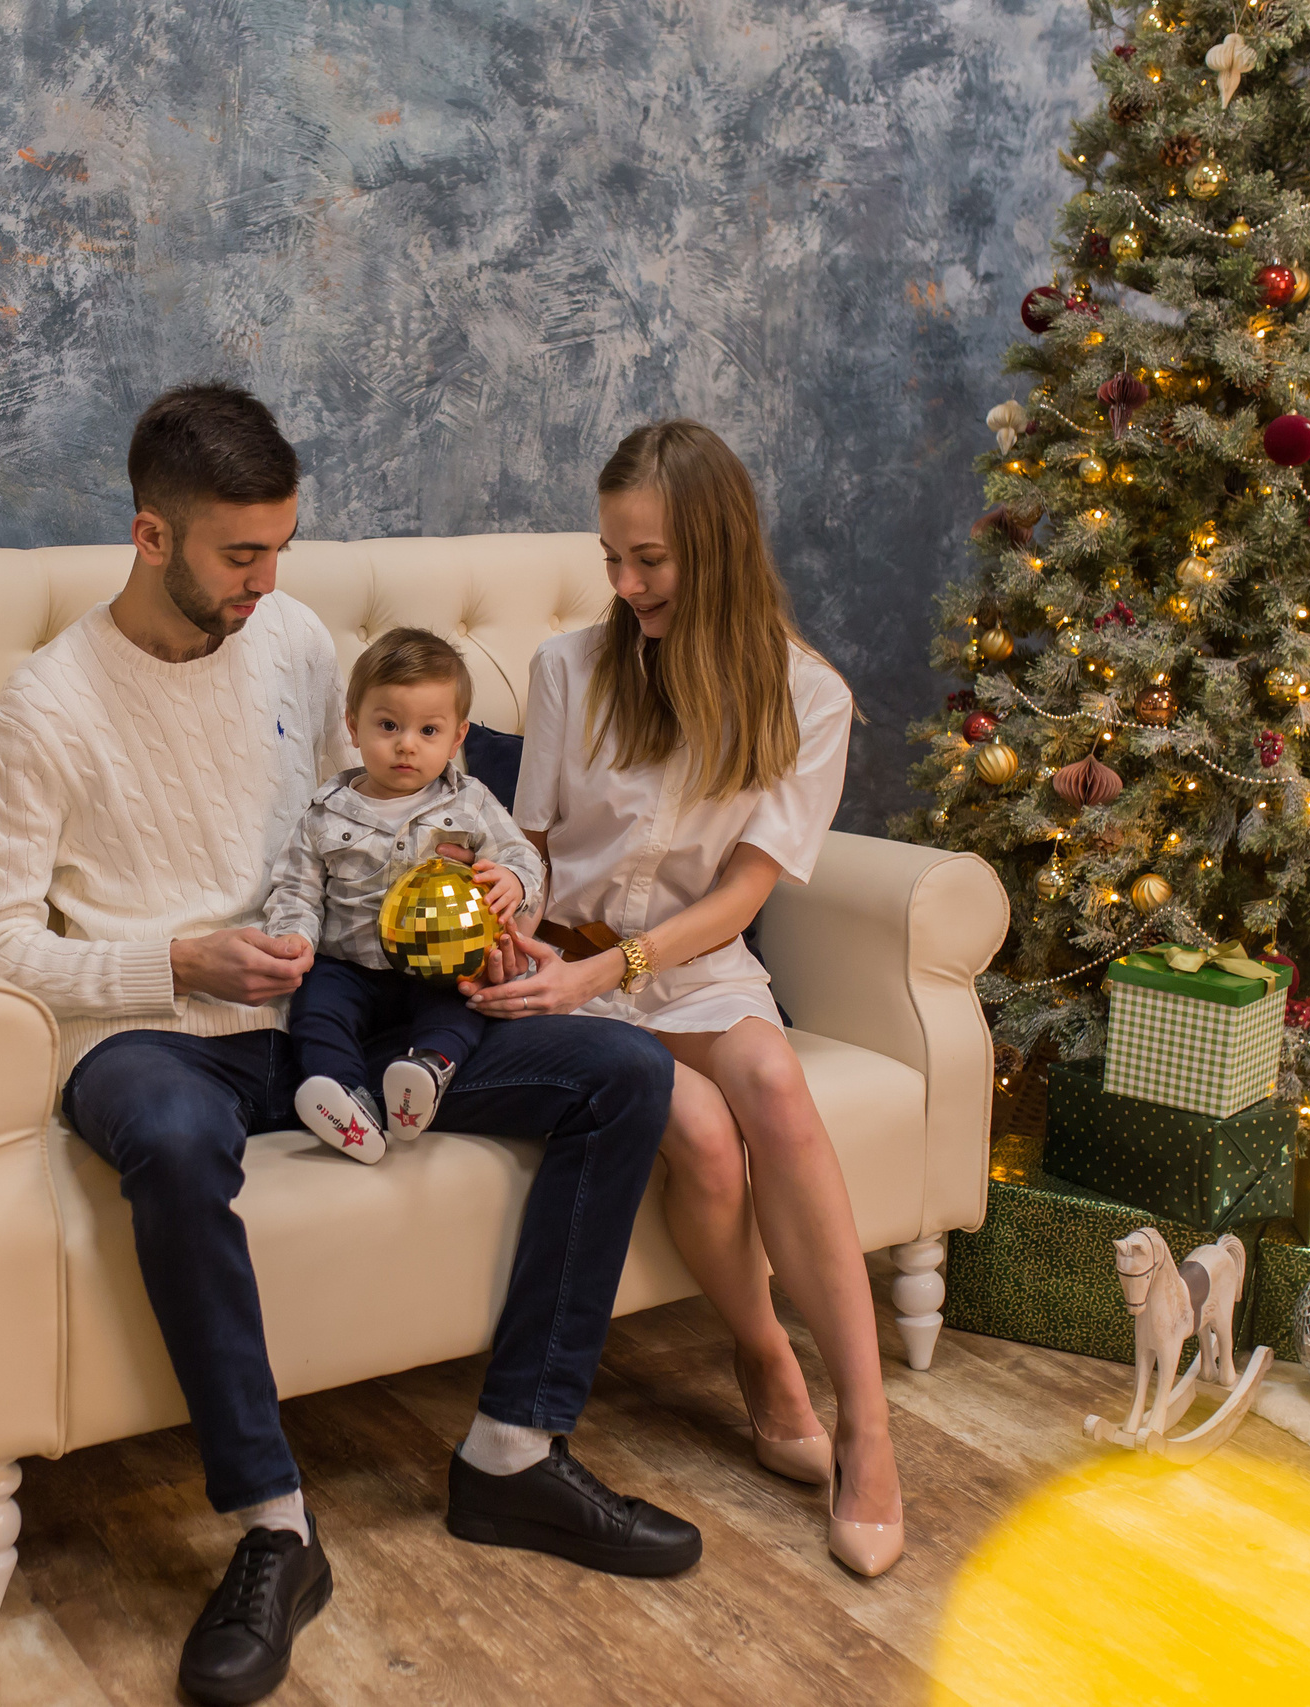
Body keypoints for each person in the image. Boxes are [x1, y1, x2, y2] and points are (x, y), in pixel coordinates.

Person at [0, 383, 700, 1707]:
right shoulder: (48, 705)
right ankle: (273, 1528)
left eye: (280, 546)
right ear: (149, 534)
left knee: (625, 1071)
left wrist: (500, 890)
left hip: (340, 1005)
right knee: (175, 1143)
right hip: (153, 1033)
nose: (268, 579)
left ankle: (516, 1452)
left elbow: (410, 791)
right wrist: (170, 955)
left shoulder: (291, 635)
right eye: (241, 553)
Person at [470, 417, 908, 1579]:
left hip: (691, 963)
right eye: (610, 556)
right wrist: (510, 916)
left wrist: (629, 965)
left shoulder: (805, 697)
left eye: (647, 560)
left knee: (769, 1076)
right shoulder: (569, 668)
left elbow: (745, 893)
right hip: (569, 966)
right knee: (704, 1138)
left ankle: (866, 1428)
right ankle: (762, 1348)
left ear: (715, 546)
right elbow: (530, 845)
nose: (622, 583)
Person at [262, 625, 543, 1157]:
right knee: (315, 1009)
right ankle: (347, 1099)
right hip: (348, 965)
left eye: (428, 731)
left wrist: (514, 879)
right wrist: (294, 938)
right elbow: (296, 888)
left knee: (463, 1004)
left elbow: (523, 856)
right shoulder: (326, 814)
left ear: (458, 738)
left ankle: (427, 1072)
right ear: (353, 726)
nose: (406, 745)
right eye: (388, 725)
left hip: (439, 962)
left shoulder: (472, 804)